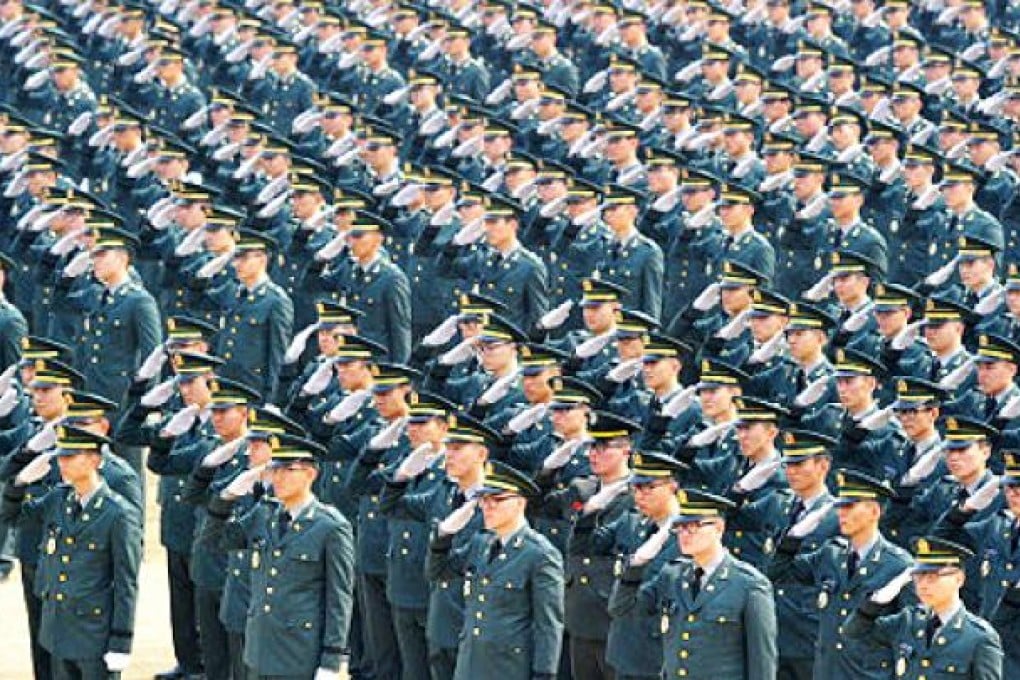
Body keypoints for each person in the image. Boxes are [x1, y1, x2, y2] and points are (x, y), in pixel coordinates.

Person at [206, 433, 356, 680]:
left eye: (287, 470)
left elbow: (339, 598)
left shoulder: (330, 527)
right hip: (259, 649)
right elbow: (214, 541)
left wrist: (331, 658)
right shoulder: (265, 514)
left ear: (310, 474)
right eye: (275, 469)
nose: (278, 477)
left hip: (299, 654)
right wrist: (226, 498)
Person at [0, 425, 142, 680]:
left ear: (95, 460)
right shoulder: (58, 500)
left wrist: (121, 640)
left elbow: (125, 583)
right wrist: (18, 483)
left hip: (93, 634)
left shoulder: (118, 514)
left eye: (70, 457)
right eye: (61, 457)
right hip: (59, 630)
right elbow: (11, 516)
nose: (62, 464)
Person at [609, 488, 779, 680]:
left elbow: (762, 662)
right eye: (681, 527)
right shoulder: (673, 575)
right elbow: (621, 609)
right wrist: (636, 563)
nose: (685, 534)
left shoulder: (748, 585)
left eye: (695, 526)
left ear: (719, 528)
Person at [427, 460, 565, 680]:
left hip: (509, 667)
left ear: (520, 503)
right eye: (484, 500)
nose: (488, 507)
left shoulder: (540, 554)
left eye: (497, 500)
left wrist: (544, 674)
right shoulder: (481, 543)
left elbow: (548, 624)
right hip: (471, 661)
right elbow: (438, 572)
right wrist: (443, 535)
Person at [846, 536, 1003, 680]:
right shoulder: (907, 621)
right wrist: (877, 600)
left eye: (932, 577)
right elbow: (854, 633)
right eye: (918, 577)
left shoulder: (979, 637)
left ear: (959, 579)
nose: (923, 586)